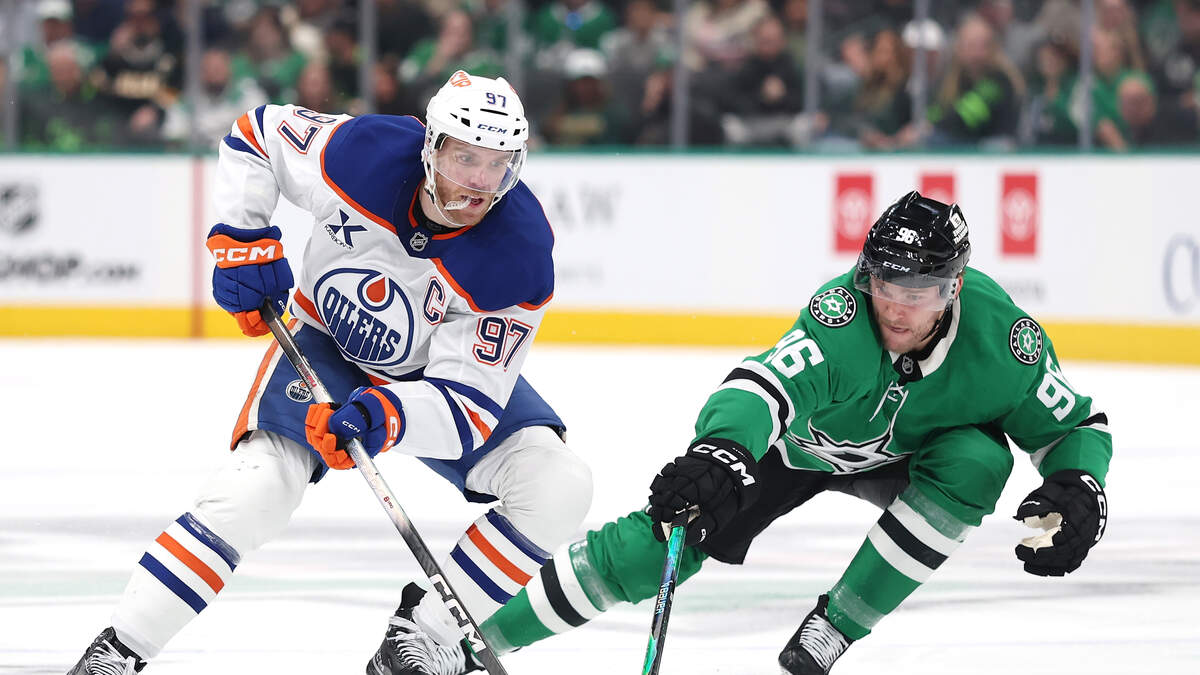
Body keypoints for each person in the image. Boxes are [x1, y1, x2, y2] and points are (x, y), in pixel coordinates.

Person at [418, 191, 1113, 673]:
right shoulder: (843, 317)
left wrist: (1080, 482)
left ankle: (834, 628)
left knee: (979, 460)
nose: (896, 309)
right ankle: (476, 641)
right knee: (660, 543)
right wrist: (721, 451)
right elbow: (761, 386)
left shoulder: (1005, 344)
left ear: (954, 288)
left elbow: (1073, 424)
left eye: (918, 292)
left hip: (909, 455)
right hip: (796, 447)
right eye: (884, 284)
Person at [66, 70, 593, 675]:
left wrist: (387, 415)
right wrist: (243, 240)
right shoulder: (363, 154)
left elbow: (467, 406)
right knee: (257, 489)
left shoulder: (518, 254)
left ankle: (423, 638)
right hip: (326, 344)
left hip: (429, 383)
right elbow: (257, 135)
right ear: (431, 146)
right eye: (465, 157)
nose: (479, 181)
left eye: (497, 163)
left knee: (558, 485)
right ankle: (120, 648)